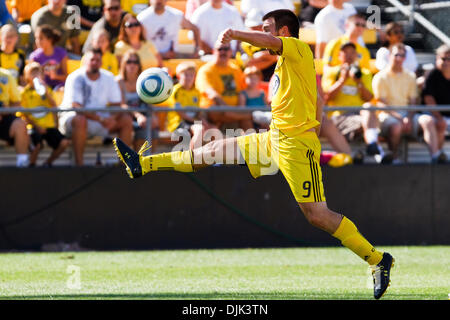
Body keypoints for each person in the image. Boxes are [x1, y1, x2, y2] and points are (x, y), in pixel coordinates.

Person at [112, 9, 394, 300]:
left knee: (317, 215)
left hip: (297, 145)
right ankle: (142, 164)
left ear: (284, 31)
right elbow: (318, 98)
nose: (263, 31)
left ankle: (377, 260)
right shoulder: (287, 64)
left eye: (268, 27)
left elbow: (275, 51)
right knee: (207, 152)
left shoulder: (298, 48)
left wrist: (235, 33)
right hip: (274, 139)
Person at [59, 48, 133, 166]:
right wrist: (101, 119)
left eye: (97, 60)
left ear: (101, 62)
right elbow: (77, 108)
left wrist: (112, 119)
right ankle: (79, 166)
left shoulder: (108, 77)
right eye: (92, 59)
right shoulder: (75, 77)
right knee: (80, 120)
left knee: (126, 120)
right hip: (73, 119)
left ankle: (124, 166)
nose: (95, 62)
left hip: (100, 120)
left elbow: (117, 105)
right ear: (85, 61)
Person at [373, 43, 444, 163]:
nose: (399, 58)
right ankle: (393, 158)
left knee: (428, 120)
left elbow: (413, 103)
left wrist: (409, 118)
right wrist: (401, 118)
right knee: (395, 127)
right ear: (389, 56)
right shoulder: (380, 77)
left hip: (407, 116)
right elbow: (382, 104)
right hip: (388, 116)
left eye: (402, 56)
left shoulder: (410, 76)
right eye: (396, 55)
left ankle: (435, 155)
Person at [322, 42, 386, 162]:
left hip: (360, 115)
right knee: (371, 124)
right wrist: (342, 80)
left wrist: (359, 83)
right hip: (339, 115)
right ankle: (376, 150)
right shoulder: (332, 72)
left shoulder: (364, 73)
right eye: (346, 52)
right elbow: (326, 97)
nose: (349, 55)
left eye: (352, 52)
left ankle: (368, 149)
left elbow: (369, 98)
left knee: (368, 107)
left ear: (356, 55)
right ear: (339, 55)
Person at [20, 62, 70, 167]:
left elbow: (54, 107)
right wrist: (36, 126)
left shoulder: (48, 90)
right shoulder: (24, 93)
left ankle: (47, 163)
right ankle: (31, 166)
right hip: (33, 127)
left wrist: (46, 92)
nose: (36, 75)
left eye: (38, 72)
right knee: (36, 145)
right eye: (33, 73)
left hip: (48, 126)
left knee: (64, 142)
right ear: (27, 77)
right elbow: (24, 115)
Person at [195, 40, 253, 130]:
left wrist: (238, 109)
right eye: (220, 49)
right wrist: (228, 109)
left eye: (226, 49)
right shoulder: (206, 70)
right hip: (213, 111)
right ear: (214, 51)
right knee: (247, 116)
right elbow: (211, 94)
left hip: (234, 111)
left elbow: (243, 91)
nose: (223, 52)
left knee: (247, 121)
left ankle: (251, 143)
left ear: (231, 52)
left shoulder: (235, 69)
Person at [167, 61, 216, 150]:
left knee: (213, 130)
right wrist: (198, 121)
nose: (189, 78)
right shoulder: (175, 91)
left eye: (191, 75)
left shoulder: (196, 92)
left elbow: (198, 111)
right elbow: (180, 114)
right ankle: (193, 158)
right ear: (179, 76)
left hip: (192, 122)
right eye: (186, 75)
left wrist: (203, 120)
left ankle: (213, 159)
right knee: (199, 129)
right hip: (178, 123)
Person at [116, 49, 158, 151]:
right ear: (123, 64)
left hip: (143, 116)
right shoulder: (118, 81)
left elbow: (149, 102)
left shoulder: (143, 80)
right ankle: (135, 164)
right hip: (125, 117)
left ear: (139, 65)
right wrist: (138, 116)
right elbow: (121, 104)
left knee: (154, 130)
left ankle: (149, 163)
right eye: (129, 62)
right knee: (140, 131)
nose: (132, 65)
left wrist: (152, 116)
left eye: (135, 62)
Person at [420, 44, 450, 162]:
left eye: (449, 59)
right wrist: (439, 117)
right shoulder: (432, 75)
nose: (446, 62)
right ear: (437, 59)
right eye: (443, 59)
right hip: (432, 114)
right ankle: (437, 156)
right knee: (439, 123)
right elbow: (428, 99)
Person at [0, 67, 30, 167]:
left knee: (20, 125)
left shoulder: (6, 75)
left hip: (4, 116)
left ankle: (22, 164)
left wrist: (4, 110)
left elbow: (17, 103)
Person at [240, 8, 278, 82]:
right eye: (254, 27)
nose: (258, 29)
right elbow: (250, 65)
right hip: (255, 82)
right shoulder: (244, 43)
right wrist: (272, 58)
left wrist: (263, 56)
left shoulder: (272, 39)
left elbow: (279, 56)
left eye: (259, 26)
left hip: (274, 79)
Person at [29, 24, 68, 90]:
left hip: (59, 86)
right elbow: (31, 78)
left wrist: (56, 76)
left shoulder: (61, 53)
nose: (37, 41)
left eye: (41, 38)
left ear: (50, 40)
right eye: (36, 38)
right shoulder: (34, 56)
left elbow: (66, 76)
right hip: (42, 87)